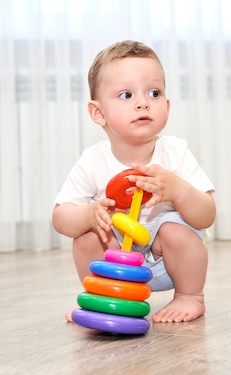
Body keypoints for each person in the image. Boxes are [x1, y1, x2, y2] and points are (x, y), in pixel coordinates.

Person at [52, 40, 216, 324]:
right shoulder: (93, 160)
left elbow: (207, 215)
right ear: (98, 113)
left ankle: (190, 296)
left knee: (176, 232)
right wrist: (88, 215)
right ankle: (105, 297)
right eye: (126, 95)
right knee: (87, 236)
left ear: (166, 105)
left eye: (154, 93)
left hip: (168, 263)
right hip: (117, 264)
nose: (143, 102)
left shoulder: (175, 153)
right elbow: (60, 218)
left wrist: (178, 190)